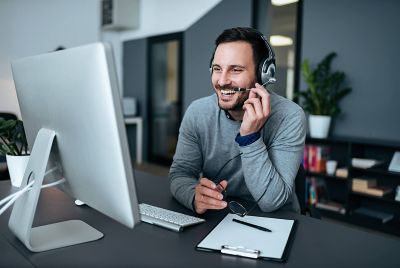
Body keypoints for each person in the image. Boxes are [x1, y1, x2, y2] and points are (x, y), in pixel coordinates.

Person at [169, 27, 306, 215]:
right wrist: (194, 196)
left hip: (277, 220)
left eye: (236, 70)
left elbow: (271, 202)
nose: (222, 81)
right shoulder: (197, 112)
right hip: (221, 214)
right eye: (217, 69)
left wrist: (249, 137)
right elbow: (180, 173)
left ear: (263, 74)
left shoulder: (289, 116)